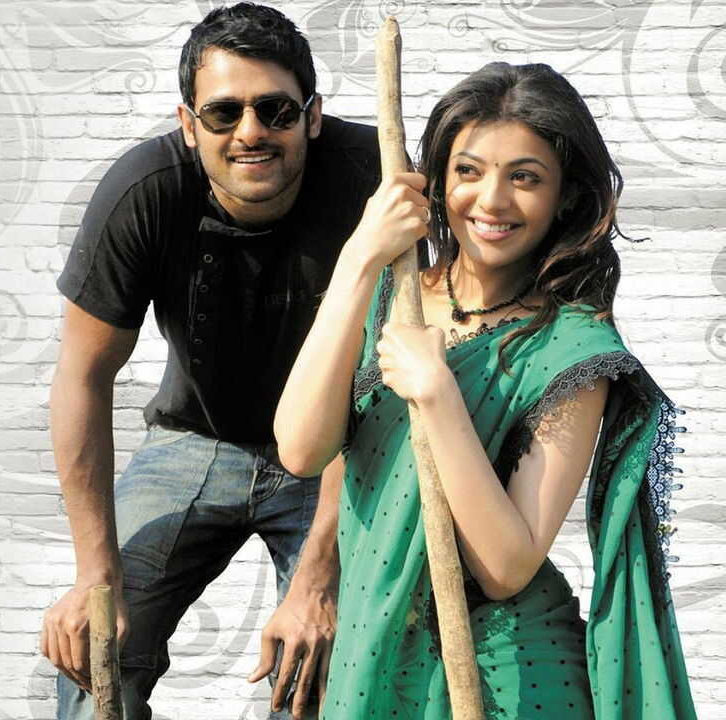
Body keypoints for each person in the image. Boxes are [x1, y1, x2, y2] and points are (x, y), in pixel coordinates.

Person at [273, 61, 698, 718]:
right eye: (468, 171)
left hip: (505, 676)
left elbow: (506, 566)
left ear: (566, 197)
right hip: (372, 652)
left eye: (524, 177)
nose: (492, 200)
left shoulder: (569, 349)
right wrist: (359, 256)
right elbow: (301, 449)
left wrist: (438, 394)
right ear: (438, 182)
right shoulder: (388, 290)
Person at [40, 4, 381, 719]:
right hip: (194, 436)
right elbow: (82, 376)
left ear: (313, 116)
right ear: (189, 124)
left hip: (339, 449)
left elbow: (381, 386)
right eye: (224, 113)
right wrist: (94, 576)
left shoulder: (372, 183)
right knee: (93, 654)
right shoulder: (145, 190)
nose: (250, 132)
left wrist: (320, 576)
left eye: (275, 110)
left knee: (333, 669)